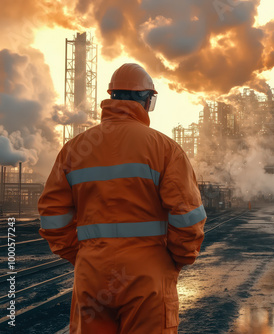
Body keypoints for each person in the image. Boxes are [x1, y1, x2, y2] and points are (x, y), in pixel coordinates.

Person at [38, 63, 206, 334]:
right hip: (148, 275)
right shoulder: (165, 149)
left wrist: (81, 255)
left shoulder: (74, 149)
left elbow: (51, 215)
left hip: (92, 275)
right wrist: (177, 260)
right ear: (146, 100)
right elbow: (187, 216)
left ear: (112, 97)